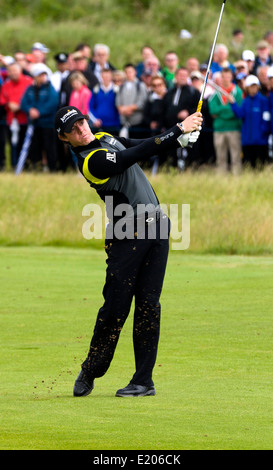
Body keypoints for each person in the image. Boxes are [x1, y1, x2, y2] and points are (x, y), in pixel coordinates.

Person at [54, 104, 203, 397]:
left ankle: (143, 381)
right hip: (127, 235)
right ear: (64, 138)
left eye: (81, 122)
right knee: (115, 308)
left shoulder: (107, 136)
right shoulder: (91, 162)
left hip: (158, 228)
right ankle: (91, 370)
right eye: (73, 129)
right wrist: (178, 129)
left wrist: (179, 138)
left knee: (149, 306)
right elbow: (132, 155)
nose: (81, 129)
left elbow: (146, 145)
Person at [21, 63, 59, 171]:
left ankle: (52, 168)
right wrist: (30, 110)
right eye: (40, 75)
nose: (43, 77)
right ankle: (35, 166)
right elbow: (24, 103)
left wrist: (39, 112)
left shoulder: (49, 88)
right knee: (34, 147)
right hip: (34, 124)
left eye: (44, 75)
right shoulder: (30, 89)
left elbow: (52, 103)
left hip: (47, 123)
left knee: (49, 147)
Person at [227, 74, 271, 169]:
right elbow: (240, 114)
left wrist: (262, 133)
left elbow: (266, 119)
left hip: (261, 142)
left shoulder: (263, 101)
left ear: (258, 87)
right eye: (251, 86)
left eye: (255, 86)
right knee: (249, 167)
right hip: (247, 142)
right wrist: (233, 104)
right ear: (247, 87)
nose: (253, 88)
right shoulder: (245, 101)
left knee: (261, 167)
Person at [208, 67, 243, 175]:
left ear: (231, 77)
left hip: (234, 128)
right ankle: (221, 179)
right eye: (223, 76)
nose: (225, 79)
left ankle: (237, 178)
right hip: (219, 129)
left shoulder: (237, 92)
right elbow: (212, 111)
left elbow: (238, 111)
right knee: (220, 156)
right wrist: (227, 108)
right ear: (221, 78)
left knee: (235, 156)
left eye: (228, 76)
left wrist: (221, 112)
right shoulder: (216, 93)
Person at [0, 62, 33, 167]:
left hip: (25, 118)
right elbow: (2, 99)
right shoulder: (6, 85)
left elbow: (31, 98)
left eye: (15, 70)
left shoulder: (28, 82)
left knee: (26, 143)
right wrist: (9, 104)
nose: (13, 73)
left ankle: (27, 166)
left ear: (19, 71)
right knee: (13, 143)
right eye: (11, 71)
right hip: (11, 119)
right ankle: (15, 166)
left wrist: (20, 106)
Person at [116, 63, 148, 138]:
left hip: (137, 122)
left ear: (135, 72)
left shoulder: (140, 85)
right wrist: (123, 110)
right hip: (124, 122)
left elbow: (142, 103)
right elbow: (118, 102)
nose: (128, 74)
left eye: (130, 72)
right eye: (126, 72)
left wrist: (128, 109)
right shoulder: (122, 86)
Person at [89, 68, 120, 134]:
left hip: (113, 126)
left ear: (111, 76)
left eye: (108, 76)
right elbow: (90, 107)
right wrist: (95, 120)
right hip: (99, 126)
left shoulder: (117, 90)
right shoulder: (96, 90)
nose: (106, 78)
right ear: (101, 77)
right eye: (104, 76)